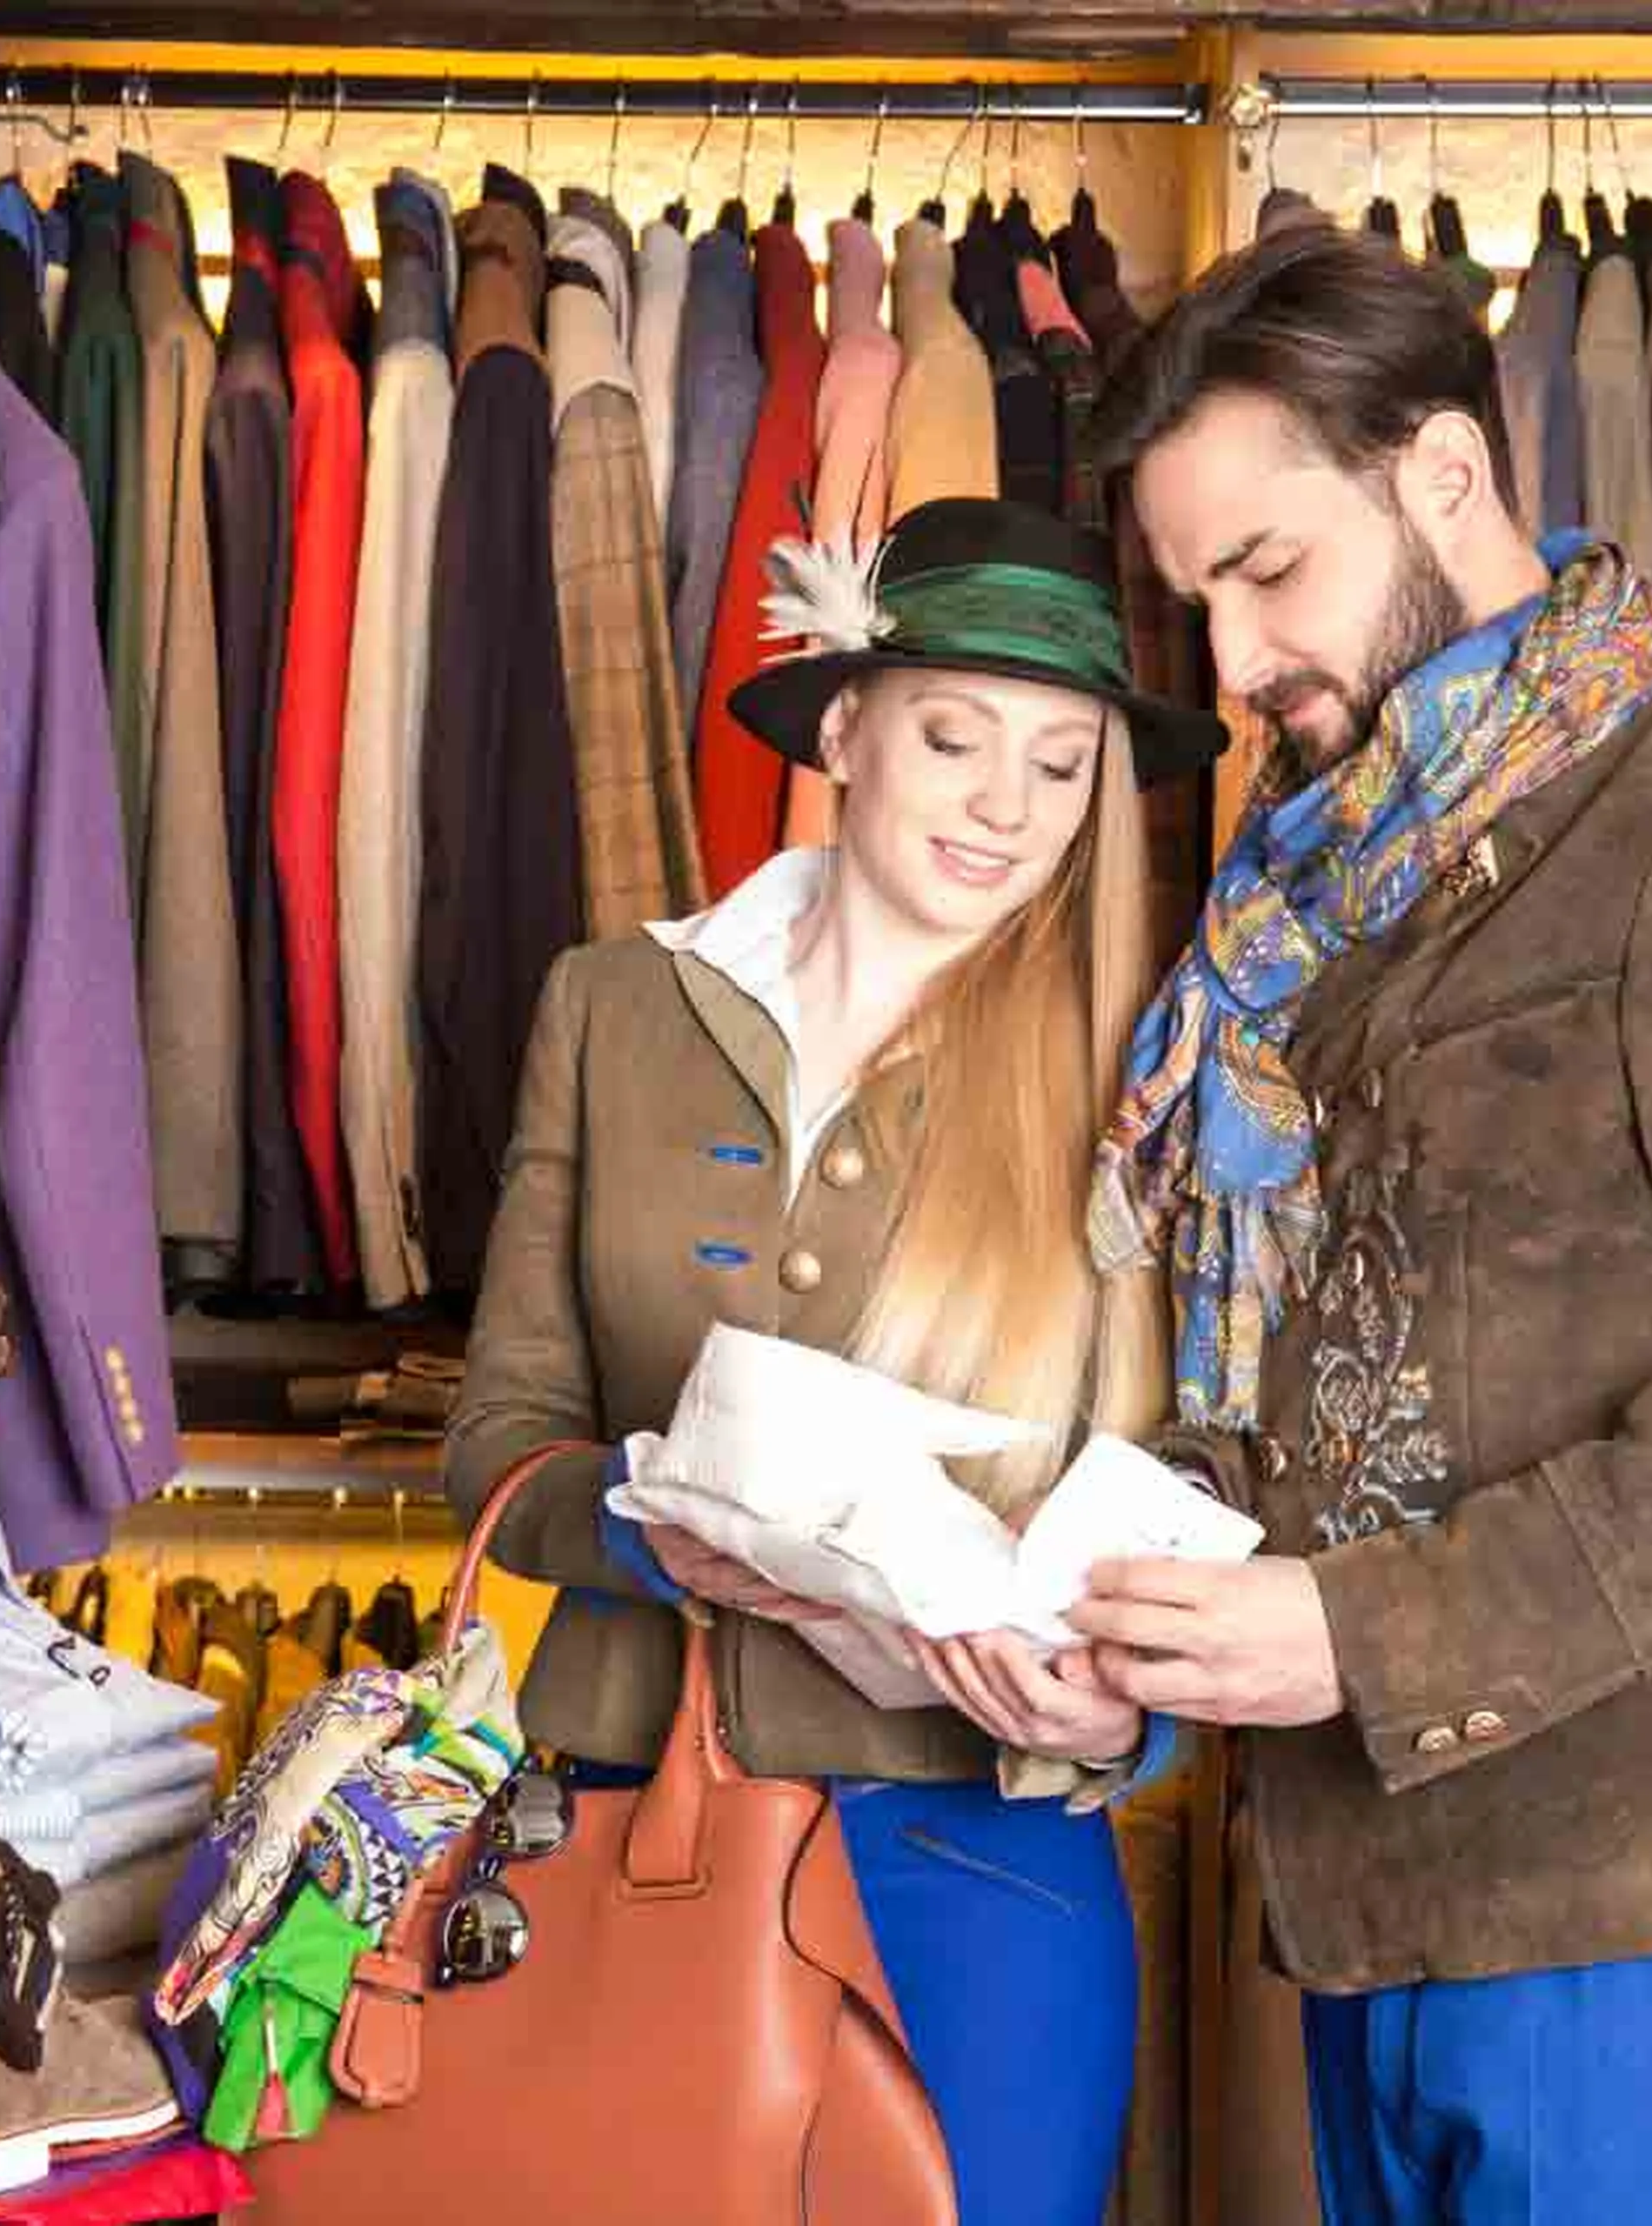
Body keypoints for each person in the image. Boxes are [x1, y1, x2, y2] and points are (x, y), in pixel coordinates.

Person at [1070, 223, 1652, 2225]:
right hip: (1383, 1915)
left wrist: (1362, 1630)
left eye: (1266, 572)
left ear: (1448, 475)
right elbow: (1326, 1363)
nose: (1230, 668)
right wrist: (1123, 1642)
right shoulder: (1309, 899)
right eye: (1194, 602)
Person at [445, 496, 1227, 2226]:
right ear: (852, 727)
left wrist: (1120, 1708)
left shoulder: (1138, 1072)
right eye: (957, 739)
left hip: (982, 1873)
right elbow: (495, 1440)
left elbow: (1190, 1480)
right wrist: (658, 1535)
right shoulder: (612, 1009)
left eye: (1061, 766)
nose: (1005, 810)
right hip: (624, 1830)